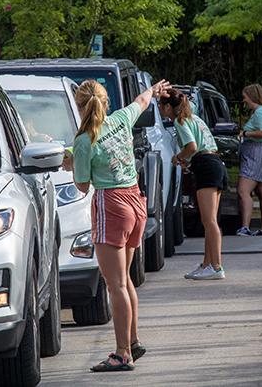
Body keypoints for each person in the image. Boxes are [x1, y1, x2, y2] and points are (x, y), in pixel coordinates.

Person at [66, 77, 170, 372]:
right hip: (135, 201)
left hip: (110, 205)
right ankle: (133, 341)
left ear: (79, 107)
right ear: (106, 101)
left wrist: (72, 163)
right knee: (124, 281)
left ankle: (122, 353)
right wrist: (154, 89)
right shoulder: (121, 119)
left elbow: (84, 185)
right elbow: (141, 101)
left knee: (115, 285)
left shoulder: (84, 140)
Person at [158, 89, 228, 280]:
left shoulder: (179, 121)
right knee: (210, 221)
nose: (159, 109)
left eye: (160, 105)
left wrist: (177, 157)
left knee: (209, 221)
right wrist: (187, 160)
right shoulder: (195, 118)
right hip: (215, 163)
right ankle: (207, 264)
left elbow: (192, 146)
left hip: (206, 166)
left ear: (167, 107)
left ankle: (216, 266)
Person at [236, 83, 262, 236]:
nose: (243, 100)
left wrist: (245, 134)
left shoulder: (260, 112)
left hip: (256, 153)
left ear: (252, 96)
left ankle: (245, 227)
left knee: (243, 190)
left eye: (245, 96)